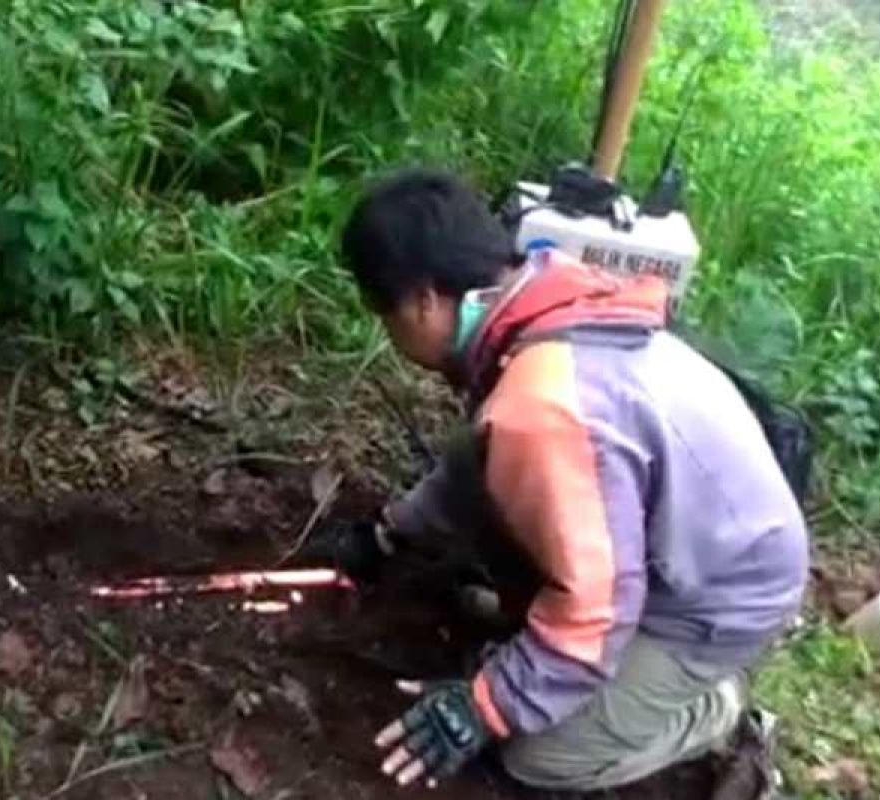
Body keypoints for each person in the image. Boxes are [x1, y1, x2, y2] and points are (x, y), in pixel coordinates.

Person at [331, 168, 809, 793]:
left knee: (535, 758)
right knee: (487, 465)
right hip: (682, 540)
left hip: (714, 600)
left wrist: (485, 705)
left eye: (381, 311)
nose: (387, 332)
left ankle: (712, 706)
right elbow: (470, 472)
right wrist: (389, 533)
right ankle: (571, 660)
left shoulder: (539, 407)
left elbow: (597, 614)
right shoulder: (543, 295)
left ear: (422, 301)